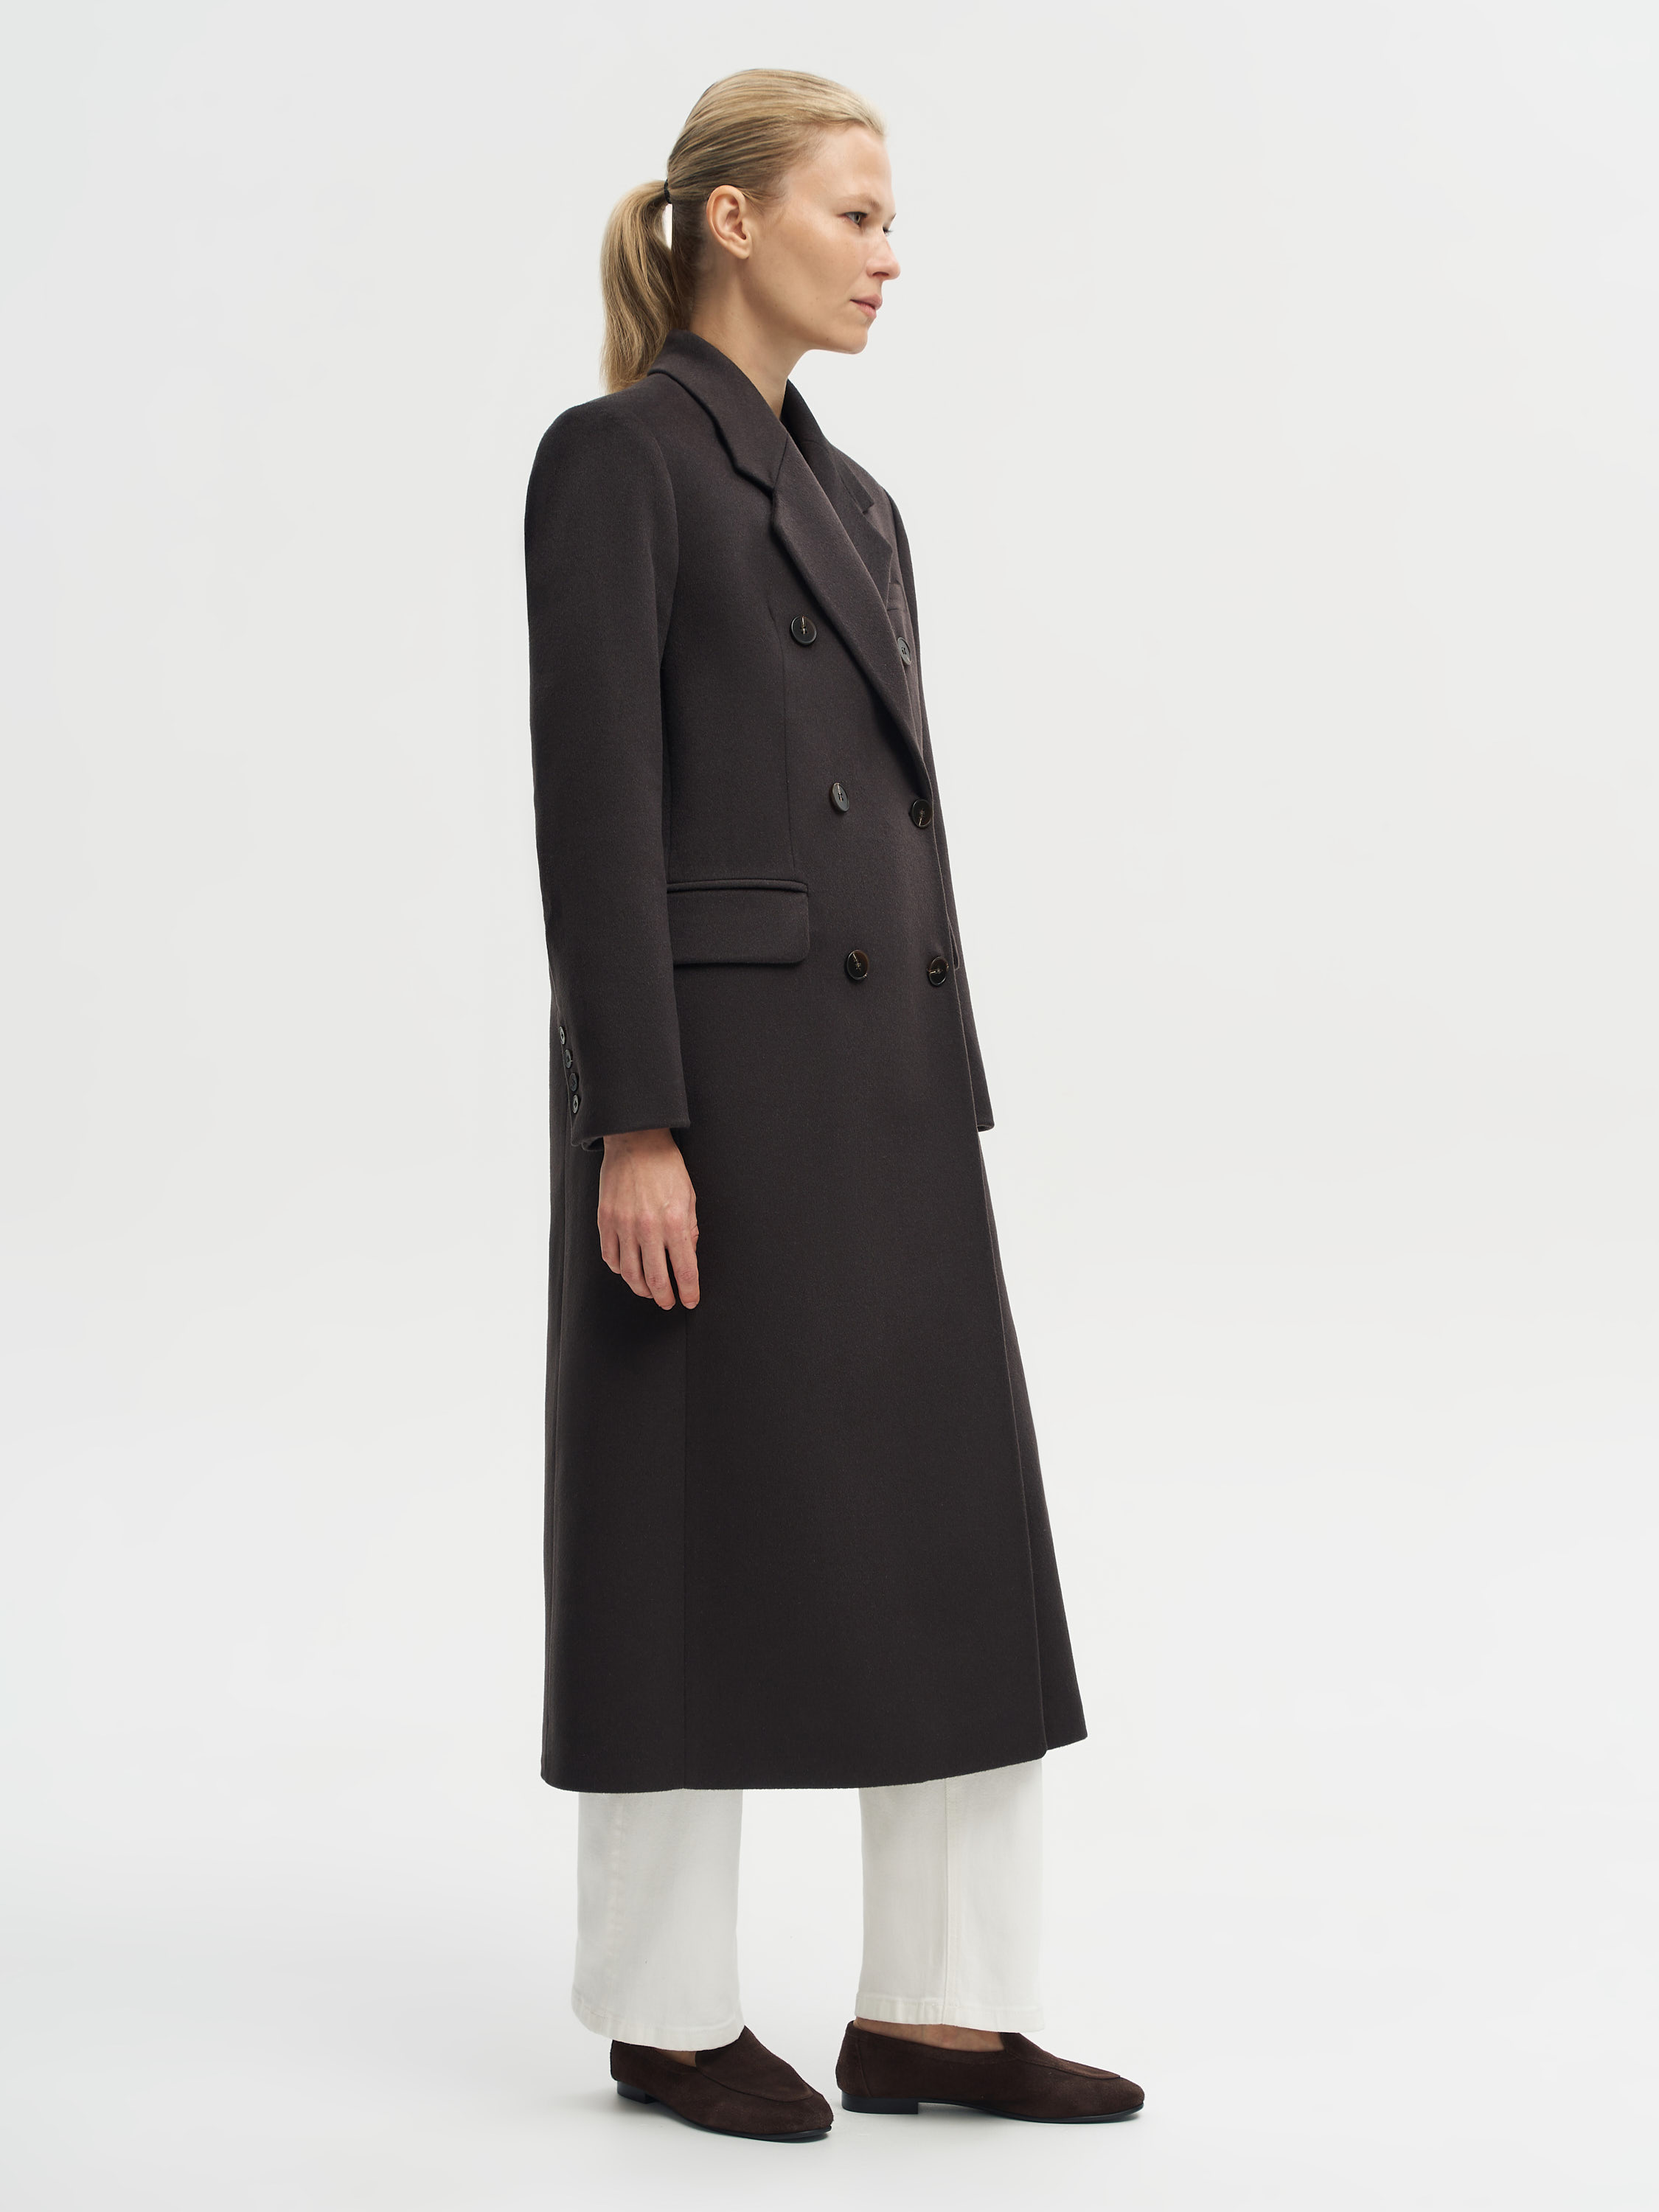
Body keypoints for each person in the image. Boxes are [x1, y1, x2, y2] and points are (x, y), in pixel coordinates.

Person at [524, 67, 1144, 2141]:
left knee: (953, 1530)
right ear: (731, 220)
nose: (890, 256)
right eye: (855, 214)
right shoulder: (619, 459)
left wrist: (948, 1082)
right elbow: (594, 812)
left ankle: (939, 2016)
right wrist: (633, 1121)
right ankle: (662, 2012)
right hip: (712, 1100)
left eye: (891, 221)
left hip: (884, 1097)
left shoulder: (859, 500)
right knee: (675, 1528)